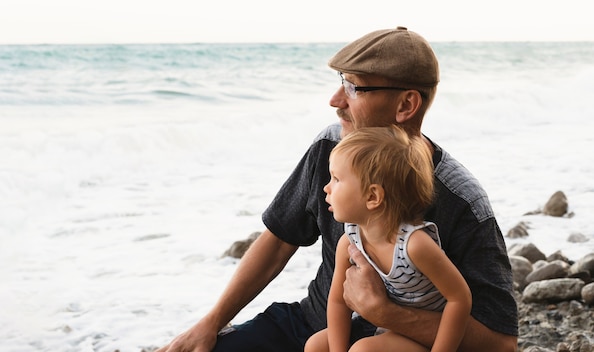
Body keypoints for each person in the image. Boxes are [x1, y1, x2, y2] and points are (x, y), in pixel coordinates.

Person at [155, 26, 518, 352]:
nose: (335, 100)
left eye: (352, 87)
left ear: (406, 104)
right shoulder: (332, 148)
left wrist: (385, 312)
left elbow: (500, 343)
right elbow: (280, 239)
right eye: (340, 81)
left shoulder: (461, 201)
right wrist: (211, 322)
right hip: (317, 328)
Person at [304, 126, 472, 352]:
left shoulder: (415, 245)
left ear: (373, 196)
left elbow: (459, 299)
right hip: (382, 327)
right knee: (315, 346)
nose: (326, 187)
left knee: (363, 351)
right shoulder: (351, 240)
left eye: (336, 179)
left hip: (421, 337)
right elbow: (337, 301)